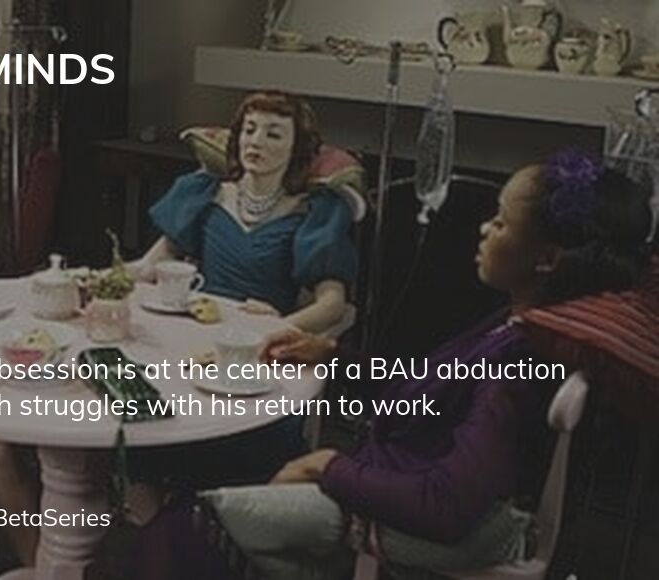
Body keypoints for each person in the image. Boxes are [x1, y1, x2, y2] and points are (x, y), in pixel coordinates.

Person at [134, 151, 655, 580]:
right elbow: (429, 391)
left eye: (499, 222)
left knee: (186, 526)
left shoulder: (520, 361)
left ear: (547, 259)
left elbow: (447, 506)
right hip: (393, 470)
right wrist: (332, 357)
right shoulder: (520, 322)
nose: (483, 228)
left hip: (409, 510)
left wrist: (327, 466)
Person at [133, 92, 358, 333]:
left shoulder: (313, 213)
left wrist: (276, 329)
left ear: (296, 149)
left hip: (259, 334)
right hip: (197, 322)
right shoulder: (204, 192)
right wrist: (107, 281)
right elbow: (149, 265)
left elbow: (332, 305)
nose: (255, 142)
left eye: (273, 135)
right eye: (249, 130)